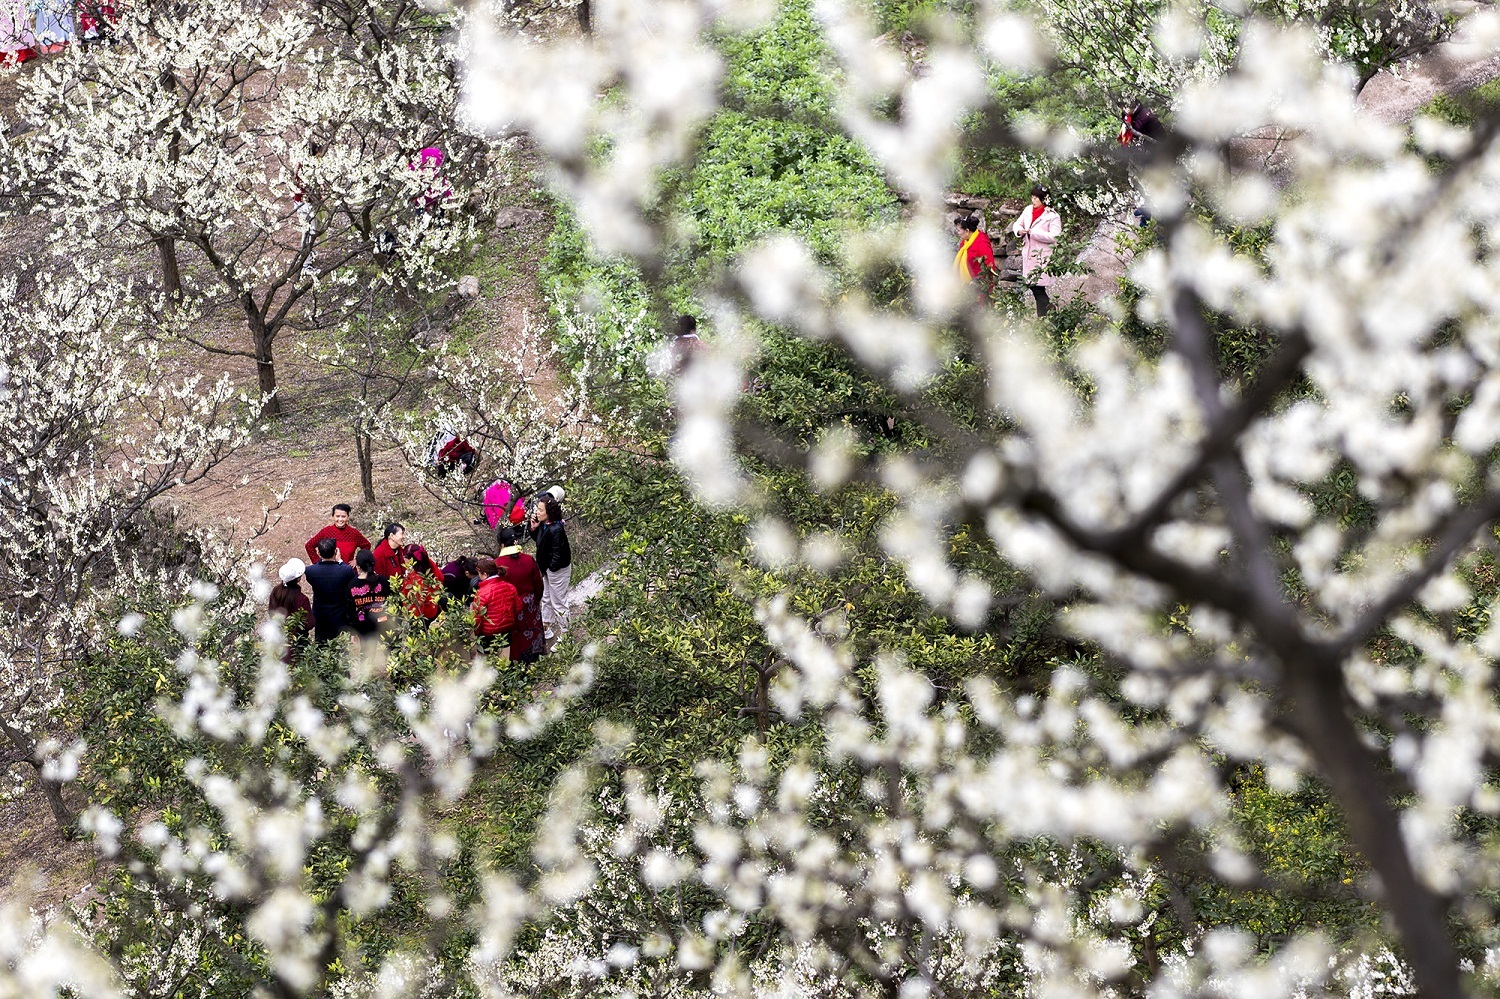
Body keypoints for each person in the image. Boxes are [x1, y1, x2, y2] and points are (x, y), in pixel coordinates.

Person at [529, 493, 572, 650]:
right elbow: (541, 543)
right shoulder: (545, 524)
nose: (537, 512)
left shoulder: (556, 529)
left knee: (558, 602)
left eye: (540, 510)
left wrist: (551, 568)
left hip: (557, 570)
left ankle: (567, 635)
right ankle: (546, 627)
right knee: (547, 598)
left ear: (549, 512)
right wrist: (534, 529)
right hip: (547, 568)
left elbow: (558, 553)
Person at [496, 526, 546, 662]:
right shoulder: (528, 560)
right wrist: (536, 599)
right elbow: (539, 583)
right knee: (533, 630)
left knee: (518, 636)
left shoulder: (498, 565)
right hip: (530, 603)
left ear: (502, 544)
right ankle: (537, 656)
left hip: (512, 606)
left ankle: (520, 663)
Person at [1012, 186, 1061, 317]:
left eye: (1036, 198)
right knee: (1035, 286)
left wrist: (1033, 233)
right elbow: (1017, 224)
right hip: (1028, 253)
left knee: (1037, 287)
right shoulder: (1028, 210)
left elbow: (1055, 236)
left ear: (1044, 199)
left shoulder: (1052, 216)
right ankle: (1047, 313)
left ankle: (1045, 314)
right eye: (1032, 197)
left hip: (1042, 257)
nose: (1033, 200)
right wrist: (1019, 231)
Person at [304, 537, 357, 643]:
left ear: (318, 552)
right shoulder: (345, 571)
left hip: (320, 615)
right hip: (340, 615)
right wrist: (341, 561)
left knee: (321, 645)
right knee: (341, 648)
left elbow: (316, 566)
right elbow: (354, 580)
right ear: (336, 551)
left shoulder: (310, 572)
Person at [268, 558, 315, 663]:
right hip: (297, 644)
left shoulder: (274, 593)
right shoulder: (302, 599)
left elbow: (271, 613)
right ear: (298, 579)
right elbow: (309, 623)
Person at [472, 557, 520, 657]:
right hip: (506, 631)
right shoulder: (510, 587)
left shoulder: (482, 593)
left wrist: (476, 633)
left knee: (486, 666)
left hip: (488, 634)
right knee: (504, 662)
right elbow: (518, 607)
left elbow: (477, 618)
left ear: (485, 574)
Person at [346, 549, 391, 642]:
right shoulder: (384, 581)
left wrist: (353, 632)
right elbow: (392, 602)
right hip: (383, 622)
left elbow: (351, 611)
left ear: (358, 566)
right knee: (391, 653)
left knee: (367, 654)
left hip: (363, 625)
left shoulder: (352, 585)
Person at [304, 504, 372, 564]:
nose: (340, 519)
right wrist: (318, 562)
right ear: (333, 517)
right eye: (337, 516)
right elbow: (309, 546)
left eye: (343, 516)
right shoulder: (326, 532)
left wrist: (357, 560)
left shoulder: (354, 533)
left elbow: (367, 545)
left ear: (347, 517)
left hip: (348, 573)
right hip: (329, 572)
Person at [399, 544, 444, 623]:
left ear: (411, 560)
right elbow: (441, 578)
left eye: (405, 557)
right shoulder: (429, 563)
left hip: (422, 614)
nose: (403, 560)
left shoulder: (415, 578)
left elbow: (416, 605)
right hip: (432, 607)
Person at [952, 215, 995, 286]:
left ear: (967, 231)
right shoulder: (965, 242)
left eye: (959, 230)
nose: (958, 233)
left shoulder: (982, 243)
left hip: (978, 288)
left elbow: (989, 266)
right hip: (966, 286)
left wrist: (977, 281)